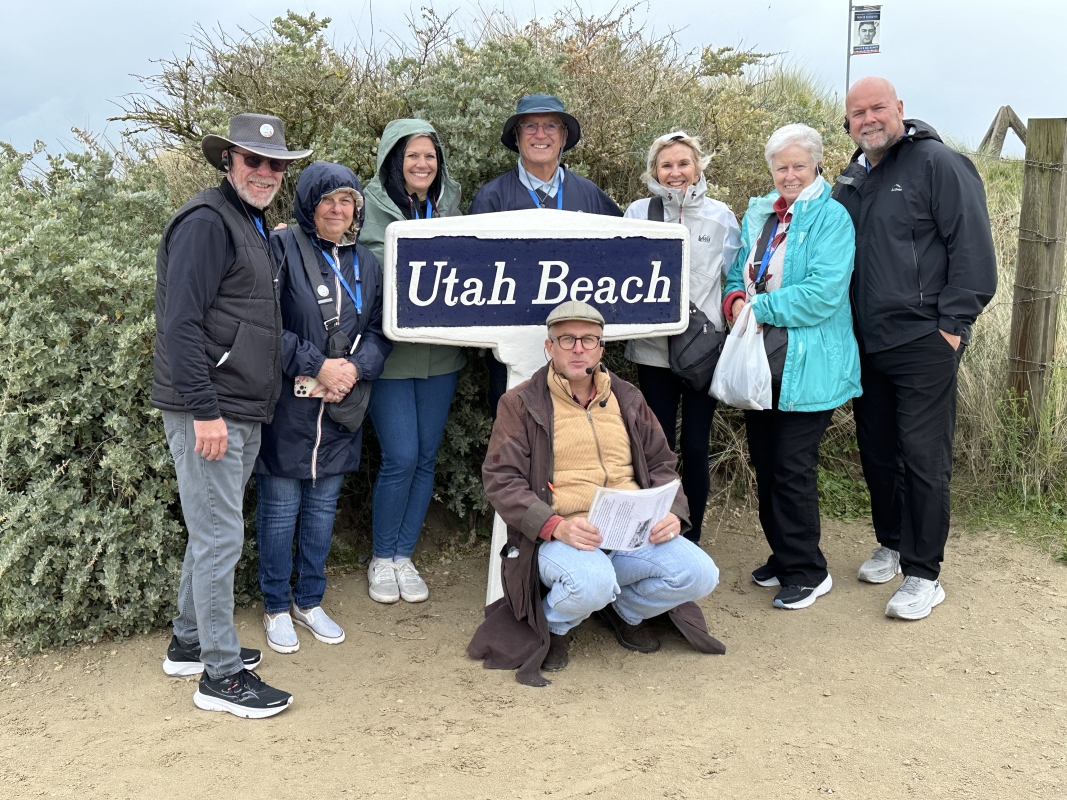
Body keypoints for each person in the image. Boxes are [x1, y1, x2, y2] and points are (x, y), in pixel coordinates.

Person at [468, 301, 724, 686]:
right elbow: (502, 479)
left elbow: (661, 463)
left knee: (701, 574)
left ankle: (626, 612)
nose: (578, 348)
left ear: (601, 348)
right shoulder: (520, 403)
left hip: (632, 531)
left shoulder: (629, 398)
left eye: (588, 339)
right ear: (548, 347)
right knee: (592, 583)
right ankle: (553, 627)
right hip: (565, 534)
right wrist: (554, 526)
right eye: (566, 339)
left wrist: (672, 510)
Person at [153, 113, 311, 718]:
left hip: (236, 406)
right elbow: (180, 324)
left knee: (209, 532)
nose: (266, 172)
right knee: (220, 538)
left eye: (276, 164)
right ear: (229, 162)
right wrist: (205, 411)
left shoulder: (248, 220)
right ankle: (219, 676)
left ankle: (190, 642)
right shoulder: (206, 223)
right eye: (254, 160)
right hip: (211, 409)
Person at [832, 77, 997, 620]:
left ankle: (925, 573)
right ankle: (894, 542)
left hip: (925, 339)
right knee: (877, 451)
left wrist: (951, 326)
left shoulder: (938, 164)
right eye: (858, 112)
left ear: (899, 108)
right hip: (866, 342)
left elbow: (972, 251)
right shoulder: (853, 178)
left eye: (878, 108)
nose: (868, 119)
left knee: (924, 458)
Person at [722, 123, 861, 611]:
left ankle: (808, 571)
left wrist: (758, 309)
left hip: (810, 362)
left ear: (817, 164)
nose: (789, 174)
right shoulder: (760, 212)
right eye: (781, 166)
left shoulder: (832, 218)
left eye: (799, 165)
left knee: (792, 466)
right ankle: (784, 555)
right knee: (765, 461)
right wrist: (734, 298)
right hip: (762, 361)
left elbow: (824, 295)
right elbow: (735, 269)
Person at [255, 161, 391, 653]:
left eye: (347, 200)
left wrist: (354, 370)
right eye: (328, 199)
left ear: (358, 207)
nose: (338, 209)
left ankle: (309, 601)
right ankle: (274, 605)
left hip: (341, 409)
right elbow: (266, 324)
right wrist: (318, 366)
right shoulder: (281, 247)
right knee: (279, 511)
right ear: (310, 203)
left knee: (321, 511)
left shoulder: (366, 264)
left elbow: (379, 331)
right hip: (288, 410)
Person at [360, 119, 465, 604]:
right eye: (412, 157)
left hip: (442, 355)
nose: (423, 165)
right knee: (399, 457)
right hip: (390, 356)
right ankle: (382, 557)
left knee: (425, 457)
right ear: (393, 161)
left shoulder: (451, 207)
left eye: (430, 156)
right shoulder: (365, 208)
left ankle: (405, 555)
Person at [468, 94, 623, 417]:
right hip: (514, 349)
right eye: (530, 126)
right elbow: (473, 277)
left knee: (575, 438)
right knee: (517, 437)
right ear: (516, 136)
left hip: (577, 349)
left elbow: (621, 260)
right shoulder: (492, 197)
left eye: (551, 125)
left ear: (564, 136)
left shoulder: (589, 194)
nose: (541, 134)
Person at [623, 131, 741, 544]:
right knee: (657, 448)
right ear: (655, 171)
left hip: (702, 352)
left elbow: (735, 280)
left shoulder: (721, 216)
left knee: (694, 447)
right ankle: (653, 533)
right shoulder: (637, 213)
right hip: (653, 349)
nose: (676, 173)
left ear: (699, 166)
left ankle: (691, 536)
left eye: (683, 164)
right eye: (666, 165)